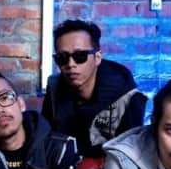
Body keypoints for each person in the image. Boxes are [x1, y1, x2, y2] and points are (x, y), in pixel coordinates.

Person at [41, 19, 147, 157]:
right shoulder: (55, 88)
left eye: (80, 56)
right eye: (62, 57)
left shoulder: (128, 97)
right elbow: (45, 142)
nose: (70, 64)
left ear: (97, 57)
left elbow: (132, 157)